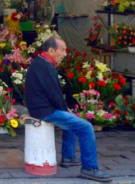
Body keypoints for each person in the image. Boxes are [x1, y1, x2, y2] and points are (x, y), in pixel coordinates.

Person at [25, 37, 112, 182]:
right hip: (45, 111)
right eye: (62, 50)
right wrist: (65, 109)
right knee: (86, 127)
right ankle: (89, 168)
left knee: (72, 120)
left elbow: (53, 93)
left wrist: (65, 109)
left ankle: (68, 157)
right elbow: (54, 93)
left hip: (42, 108)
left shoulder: (41, 62)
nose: (65, 54)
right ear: (51, 50)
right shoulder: (46, 66)